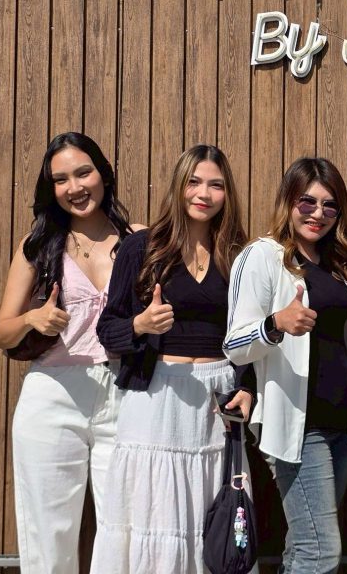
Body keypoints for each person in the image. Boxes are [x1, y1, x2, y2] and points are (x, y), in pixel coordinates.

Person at [91, 145, 254, 574]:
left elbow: (248, 337)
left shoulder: (238, 253)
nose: (204, 194)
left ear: (227, 193)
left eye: (216, 185)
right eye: (194, 182)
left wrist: (247, 387)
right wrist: (141, 324)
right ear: (179, 186)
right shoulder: (141, 248)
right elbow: (107, 329)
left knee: (213, 514)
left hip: (217, 398)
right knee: (155, 512)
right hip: (156, 395)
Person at [0, 132, 139, 574]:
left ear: (104, 175)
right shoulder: (38, 245)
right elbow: (3, 332)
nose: (74, 187)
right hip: (52, 394)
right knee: (48, 534)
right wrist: (32, 319)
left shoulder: (138, 240)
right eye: (60, 180)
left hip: (125, 393)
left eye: (83, 173)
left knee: (125, 530)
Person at [224, 157, 347, 574]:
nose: (318, 213)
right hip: (300, 429)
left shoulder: (333, 265)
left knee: (303, 549)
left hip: (342, 429)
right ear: (288, 201)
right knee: (320, 552)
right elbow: (234, 344)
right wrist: (275, 324)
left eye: (329, 205)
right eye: (307, 202)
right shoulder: (262, 256)